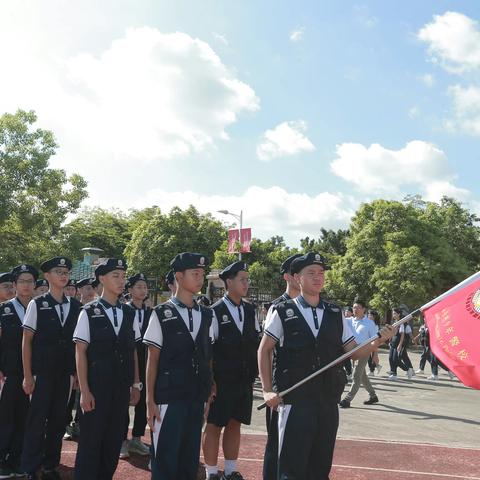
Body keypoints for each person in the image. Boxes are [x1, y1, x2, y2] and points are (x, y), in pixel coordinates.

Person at [258, 252, 395, 480]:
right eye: (310, 273)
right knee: (291, 468)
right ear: (296, 278)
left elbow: (353, 352)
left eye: (321, 273)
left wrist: (378, 340)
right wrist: (266, 389)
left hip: (327, 401)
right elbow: (264, 350)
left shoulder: (335, 313)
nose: (317, 277)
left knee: (320, 467)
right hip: (295, 400)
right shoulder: (282, 311)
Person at [144, 252, 214, 480]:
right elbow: (152, 359)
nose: (200, 278)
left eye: (202, 274)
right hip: (168, 398)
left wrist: (207, 392)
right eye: (195, 273)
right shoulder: (161, 313)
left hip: (195, 397)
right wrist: (150, 401)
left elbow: (206, 356)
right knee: (165, 459)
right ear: (179, 276)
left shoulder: (206, 314)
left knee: (189, 460)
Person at [73, 258, 142, 480]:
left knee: (113, 440)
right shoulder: (89, 311)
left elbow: (133, 352)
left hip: (121, 388)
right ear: (102, 279)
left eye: (123, 276)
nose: (122, 281)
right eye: (115, 276)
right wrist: (84, 390)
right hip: (96, 387)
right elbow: (80, 352)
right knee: (91, 441)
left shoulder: (129, 313)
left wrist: (136, 384)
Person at [21, 257, 82, 480]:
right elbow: (26, 341)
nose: (63, 275)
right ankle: (30, 467)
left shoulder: (75, 306)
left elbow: (78, 344)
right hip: (41, 374)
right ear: (47, 276)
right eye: (58, 271)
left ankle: (50, 466)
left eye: (65, 271)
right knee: (36, 421)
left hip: (65, 374)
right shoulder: (37, 304)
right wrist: (28, 375)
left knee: (58, 421)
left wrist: (76, 373)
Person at [203, 262, 260, 480]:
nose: (246, 283)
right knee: (215, 424)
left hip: (243, 379)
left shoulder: (249, 310)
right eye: (242, 279)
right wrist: (211, 381)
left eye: (247, 279)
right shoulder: (215, 311)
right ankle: (210, 472)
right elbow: (208, 349)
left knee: (235, 423)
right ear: (229, 282)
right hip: (222, 380)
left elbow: (255, 342)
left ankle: (229, 470)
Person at [262, 253, 301, 480]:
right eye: (297, 271)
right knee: (276, 443)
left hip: (304, 388)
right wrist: (268, 388)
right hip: (281, 385)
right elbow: (265, 351)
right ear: (288, 276)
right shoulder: (278, 307)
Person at [0, 264, 38, 478]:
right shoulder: (4, 309)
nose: (26, 285)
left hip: (32, 375)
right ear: (14, 285)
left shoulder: (39, 308)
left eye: (30, 281)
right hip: (8, 374)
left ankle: (16, 458)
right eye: (22, 281)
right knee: (5, 417)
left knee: (26, 417)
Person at [120, 273, 152, 459]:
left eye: (144, 287)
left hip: (146, 361)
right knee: (125, 402)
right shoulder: (124, 310)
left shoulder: (150, 312)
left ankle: (137, 438)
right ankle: (122, 440)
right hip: (128, 360)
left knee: (143, 403)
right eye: (138, 286)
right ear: (130, 290)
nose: (142, 290)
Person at [339, 300, 380, 408]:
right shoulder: (348, 321)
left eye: (358, 307)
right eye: (354, 307)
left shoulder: (369, 323)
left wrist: (375, 354)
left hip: (364, 350)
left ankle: (347, 399)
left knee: (356, 375)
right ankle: (373, 395)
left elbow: (375, 340)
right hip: (352, 350)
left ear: (363, 309)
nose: (355, 310)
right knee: (362, 375)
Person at [387, 308, 414, 380]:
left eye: (395, 313)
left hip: (397, 343)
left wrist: (400, 345)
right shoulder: (394, 322)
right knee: (390, 358)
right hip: (393, 342)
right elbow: (392, 333)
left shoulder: (401, 323)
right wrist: (390, 340)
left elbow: (402, 335)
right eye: (393, 313)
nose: (393, 315)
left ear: (399, 314)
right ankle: (393, 373)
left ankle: (407, 369)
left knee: (396, 359)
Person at [367, 309, 382, 376]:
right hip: (368, 342)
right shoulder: (368, 323)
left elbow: (376, 335)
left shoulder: (375, 325)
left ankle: (372, 371)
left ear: (374, 316)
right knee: (369, 357)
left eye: (370, 315)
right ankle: (377, 366)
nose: (368, 316)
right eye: (368, 314)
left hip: (373, 342)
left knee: (372, 356)